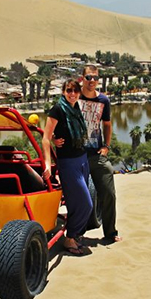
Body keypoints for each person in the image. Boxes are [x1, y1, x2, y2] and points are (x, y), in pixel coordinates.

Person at [42, 79, 93, 255]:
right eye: (69, 90)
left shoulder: (76, 108)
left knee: (74, 203)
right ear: (63, 91)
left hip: (82, 159)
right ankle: (70, 238)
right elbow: (46, 138)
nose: (72, 94)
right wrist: (48, 163)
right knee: (86, 203)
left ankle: (73, 235)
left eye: (75, 91)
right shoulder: (58, 109)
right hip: (68, 163)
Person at [79, 64, 121, 243]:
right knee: (77, 196)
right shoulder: (74, 96)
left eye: (95, 78)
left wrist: (106, 147)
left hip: (96, 154)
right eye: (89, 77)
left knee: (109, 192)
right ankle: (75, 235)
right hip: (76, 155)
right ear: (83, 78)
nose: (92, 81)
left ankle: (110, 232)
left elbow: (107, 125)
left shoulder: (103, 100)